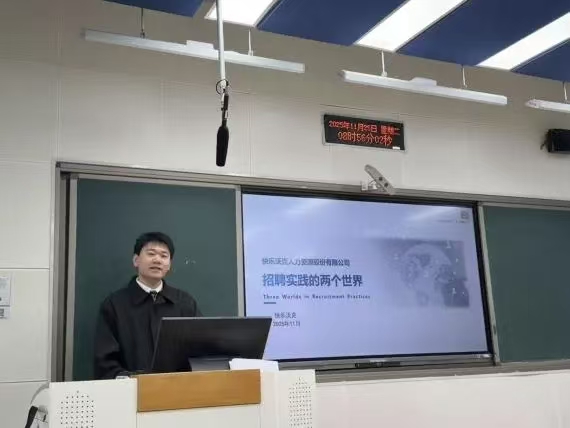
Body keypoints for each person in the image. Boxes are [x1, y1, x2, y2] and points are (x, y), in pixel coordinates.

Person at [94, 232, 201, 379]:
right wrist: (127, 379)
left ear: (169, 265)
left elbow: (200, 350)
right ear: (136, 260)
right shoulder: (114, 305)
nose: (157, 260)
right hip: (132, 389)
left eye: (164, 256)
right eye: (151, 254)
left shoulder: (185, 303)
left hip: (178, 388)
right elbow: (105, 360)